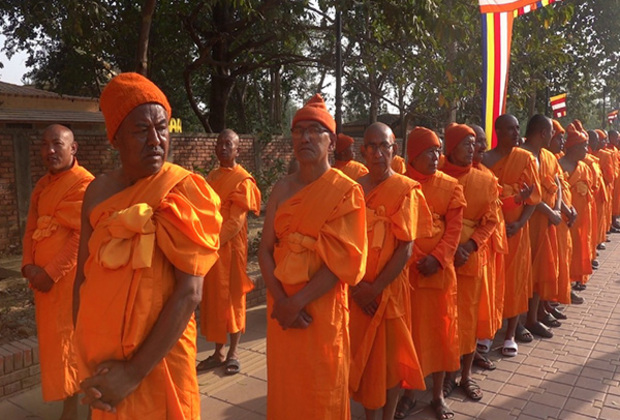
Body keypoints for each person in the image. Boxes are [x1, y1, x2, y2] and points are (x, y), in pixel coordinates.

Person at [72, 72, 222, 418]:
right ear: (115, 139)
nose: (156, 140)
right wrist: (84, 355)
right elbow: (83, 277)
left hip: (159, 359)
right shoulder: (96, 193)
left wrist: (133, 372)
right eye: (142, 130)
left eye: (162, 127)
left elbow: (190, 292)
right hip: (104, 364)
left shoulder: (182, 189)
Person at [258, 94, 368, 420]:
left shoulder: (346, 191)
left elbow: (343, 261)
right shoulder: (281, 188)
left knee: (323, 391)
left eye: (314, 130)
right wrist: (282, 301)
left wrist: (298, 301)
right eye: (298, 130)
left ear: (331, 141)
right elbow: (265, 249)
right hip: (281, 311)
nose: (304, 137)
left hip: (320, 312)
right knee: (286, 389)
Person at [349, 122, 430, 420]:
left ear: (394, 150)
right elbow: (344, 241)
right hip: (357, 290)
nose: (378, 152)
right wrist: (358, 287)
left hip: (389, 290)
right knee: (367, 359)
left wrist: (375, 288)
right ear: (363, 151)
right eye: (371, 146)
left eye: (384, 146)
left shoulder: (404, 190)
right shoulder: (355, 189)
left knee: (392, 359)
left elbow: (406, 248)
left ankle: (388, 415)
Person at [22, 124, 94, 420]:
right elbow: (30, 228)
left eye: (57, 144)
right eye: (44, 145)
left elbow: (81, 236)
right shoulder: (42, 185)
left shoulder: (84, 183)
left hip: (70, 282)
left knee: (73, 342)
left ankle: (76, 409)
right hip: (42, 283)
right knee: (55, 345)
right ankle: (67, 403)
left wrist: (50, 273)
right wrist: (28, 266)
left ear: (73, 148)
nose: (49, 151)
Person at [396, 127, 466, 420]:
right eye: (428, 151)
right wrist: (416, 259)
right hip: (408, 274)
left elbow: (454, 229)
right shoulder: (400, 184)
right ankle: (409, 394)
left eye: (438, 150)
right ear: (413, 155)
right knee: (409, 336)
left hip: (438, 275)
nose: (436, 156)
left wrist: (437, 259)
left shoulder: (451, 186)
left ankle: (437, 395)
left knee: (441, 334)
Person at [441, 123, 499, 404]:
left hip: (470, 257)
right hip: (439, 259)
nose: (474, 149)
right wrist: (447, 249)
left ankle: (465, 376)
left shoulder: (485, 181)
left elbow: (490, 221)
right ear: (450, 148)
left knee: (468, 319)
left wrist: (470, 245)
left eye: (475, 143)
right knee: (443, 320)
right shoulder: (435, 175)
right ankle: (446, 378)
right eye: (467, 144)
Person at [197, 129, 261, 375]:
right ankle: (217, 351)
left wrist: (212, 242)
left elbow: (234, 223)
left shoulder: (242, 180)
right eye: (219, 143)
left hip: (230, 250)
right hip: (213, 249)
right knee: (214, 300)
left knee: (233, 300)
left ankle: (233, 351)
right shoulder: (213, 176)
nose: (223, 148)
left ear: (238, 150)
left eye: (228, 144)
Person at [482, 114, 541, 356]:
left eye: (518, 128)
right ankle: (486, 332)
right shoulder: (485, 159)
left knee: (515, 282)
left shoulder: (526, 158)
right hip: (490, 232)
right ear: (498, 131)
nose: (516, 133)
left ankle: (509, 335)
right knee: (490, 282)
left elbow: (533, 198)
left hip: (516, 231)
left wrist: (519, 224)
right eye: (510, 129)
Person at [520, 115, 563, 338]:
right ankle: (516, 321)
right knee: (521, 273)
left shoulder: (548, 156)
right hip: (526, 222)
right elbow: (529, 195)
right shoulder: (521, 156)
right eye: (552, 132)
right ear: (543, 133)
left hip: (545, 224)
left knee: (540, 270)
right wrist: (551, 213)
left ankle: (532, 318)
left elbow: (557, 183)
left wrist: (557, 210)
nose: (554, 137)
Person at [470, 125, 508, 368]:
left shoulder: (487, 176)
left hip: (484, 246)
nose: (481, 147)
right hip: (463, 250)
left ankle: (472, 352)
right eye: (475, 142)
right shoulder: (446, 174)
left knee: (480, 302)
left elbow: (494, 210)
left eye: (484, 141)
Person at [546, 120, 578, 309]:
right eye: (558, 137)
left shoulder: (552, 159)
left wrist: (566, 209)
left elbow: (558, 186)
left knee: (561, 258)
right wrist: (559, 210)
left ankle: (552, 299)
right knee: (549, 263)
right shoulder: (549, 160)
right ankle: (545, 304)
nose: (561, 142)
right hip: (548, 218)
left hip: (560, 216)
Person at [559, 121, 594, 297]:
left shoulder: (584, 168)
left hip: (580, 220)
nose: (587, 150)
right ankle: (561, 288)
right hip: (564, 219)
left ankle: (571, 284)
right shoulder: (559, 165)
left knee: (577, 252)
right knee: (564, 254)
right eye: (584, 146)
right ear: (573, 148)